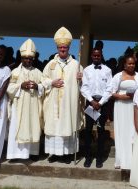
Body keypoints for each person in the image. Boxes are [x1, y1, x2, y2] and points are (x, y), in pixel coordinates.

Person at [42, 27, 82, 163]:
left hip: (69, 103)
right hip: (54, 102)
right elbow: (43, 80)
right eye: (60, 48)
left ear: (68, 48)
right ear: (57, 48)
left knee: (67, 125)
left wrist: (81, 78)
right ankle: (54, 153)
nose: (63, 50)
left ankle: (68, 154)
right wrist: (52, 82)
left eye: (65, 47)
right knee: (54, 126)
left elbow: (83, 86)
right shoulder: (51, 64)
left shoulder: (77, 65)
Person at [6, 39, 44, 160]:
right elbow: (8, 88)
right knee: (16, 127)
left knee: (33, 126)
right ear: (21, 58)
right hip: (19, 104)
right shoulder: (15, 72)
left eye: (30, 58)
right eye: (25, 58)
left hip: (33, 104)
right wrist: (20, 86)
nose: (28, 60)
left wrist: (38, 86)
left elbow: (45, 86)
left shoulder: (38, 72)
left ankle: (32, 153)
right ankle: (15, 154)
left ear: (33, 59)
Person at [81, 48, 112, 168]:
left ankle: (99, 158)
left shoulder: (107, 70)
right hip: (91, 103)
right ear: (91, 56)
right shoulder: (87, 70)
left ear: (101, 56)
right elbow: (84, 88)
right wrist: (92, 101)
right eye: (94, 55)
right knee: (88, 131)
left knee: (100, 130)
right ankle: (88, 157)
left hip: (102, 104)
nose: (96, 57)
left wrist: (101, 102)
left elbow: (110, 89)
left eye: (98, 55)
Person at [111, 55, 138, 170]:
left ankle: (132, 159)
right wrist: (123, 97)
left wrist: (135, 96)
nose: (131, 65)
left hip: (133, 106)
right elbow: (112, 92)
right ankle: (120, 159)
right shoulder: (117, 76)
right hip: (121, 106)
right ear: (124, 64)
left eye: (133, 63)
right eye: (129, 63)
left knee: (132, 131)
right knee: (121, 131)